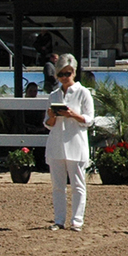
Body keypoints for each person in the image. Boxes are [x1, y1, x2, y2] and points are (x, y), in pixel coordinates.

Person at [44, 53, 94, 232]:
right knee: (58, 186)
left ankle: (77, 221)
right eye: (61, 74)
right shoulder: (54, 95)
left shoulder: (83, 93)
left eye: (68, 74)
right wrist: (51, 117)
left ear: (74, 73)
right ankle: (59, 220)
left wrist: (72, 114)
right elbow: (48, 125)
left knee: (78, 185)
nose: (64, 78)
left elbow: (89, 120)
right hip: (57, 144)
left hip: (76, 144)